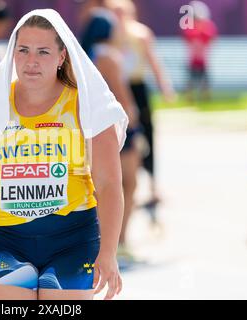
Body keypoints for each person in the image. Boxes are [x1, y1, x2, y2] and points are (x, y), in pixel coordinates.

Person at [0, 9, 128, 300]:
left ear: (62, 57)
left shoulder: (89, 107)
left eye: (43, 52)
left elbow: (109, 185)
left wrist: (108, 253)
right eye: (23, 50)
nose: (31, 61)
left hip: (73, 242)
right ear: (12, 53)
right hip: (8, 243)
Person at [81, 6, 142, 262]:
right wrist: (136, 125)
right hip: (116, 129)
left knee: (95, 188)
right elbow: (123, 99)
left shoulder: (83, 57)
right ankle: (120, 240)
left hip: (89, 129)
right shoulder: (109, 56)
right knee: (126, 185)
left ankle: (97, 241)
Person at [107, 0, 175, 209]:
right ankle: (124, 183)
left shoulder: (140, 33)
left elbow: (152, 59)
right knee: (119, 137)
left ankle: (153, 184)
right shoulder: (109, 34)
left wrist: (164, 86)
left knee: (147, 133)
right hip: (117, 88)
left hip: (137, 87)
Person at [181, 0, 217, 102]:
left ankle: (205, 97)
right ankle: (190, 97)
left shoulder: (207, 28)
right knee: (191, 80)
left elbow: (210, 42)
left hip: (203, 59)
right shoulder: (190, 28)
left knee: (205, 79)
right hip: (193, 59)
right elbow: (188, 43)